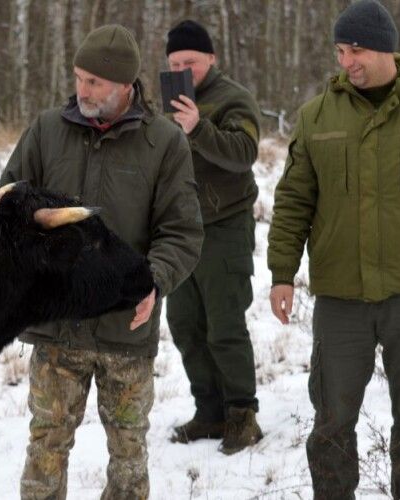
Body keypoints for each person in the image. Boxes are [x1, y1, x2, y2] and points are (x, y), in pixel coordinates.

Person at [267, 1, 400, 498]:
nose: (346, 60)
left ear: (385, 48)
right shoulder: (316, 116)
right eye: (339, 50)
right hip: (340, 296)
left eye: (355, 49)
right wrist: (282, 273)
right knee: (331, 417)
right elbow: (293, 200)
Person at [0, 24, 203, 500]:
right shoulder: (47, 129)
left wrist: (154, 281)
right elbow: (6, 193)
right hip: (57, 322)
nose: (82, 91)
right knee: (45, 444)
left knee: (129, 453)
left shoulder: (165, 142)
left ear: (126, 86)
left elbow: (183, 231)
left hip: (126, 327)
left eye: (95, 83)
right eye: (78, 78)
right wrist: (29, 210)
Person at [163, 19, 263, 454]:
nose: (185, 68)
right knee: (185, 323)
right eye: (175, 62)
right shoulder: (166, 102)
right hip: (178, 231)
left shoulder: (234, 98)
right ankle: (209, 411)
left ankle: (242, 416)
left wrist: (198, 127)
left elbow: (244, 155)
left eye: (191, 61)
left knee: (224, 325)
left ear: (211, 59)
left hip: (225, 226)